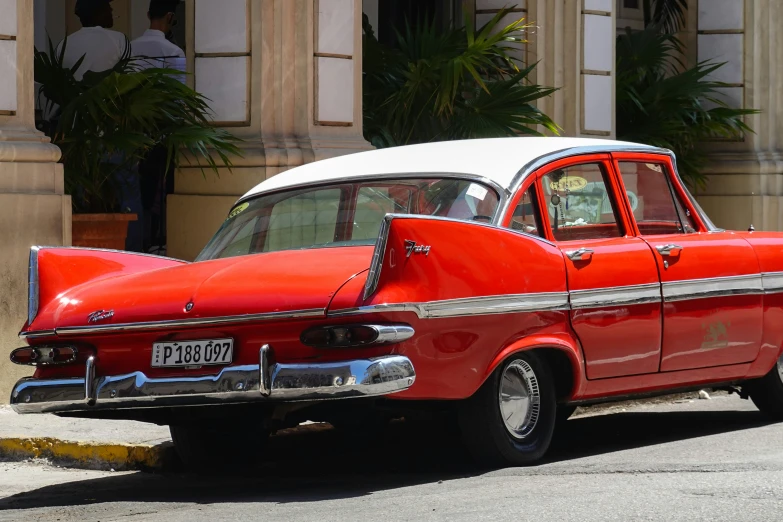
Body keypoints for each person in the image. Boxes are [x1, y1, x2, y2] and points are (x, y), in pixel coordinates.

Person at [58, 0, 127, 80]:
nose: (111, 10)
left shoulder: (63, 44)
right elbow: (132, 75)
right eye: (108, 7)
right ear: (98, 13)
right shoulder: (119, 39)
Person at [131, 0, 184, 71]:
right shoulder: (174, 51)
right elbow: (180, 80)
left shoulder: (130, 46)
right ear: (170, 17)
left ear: (148, 15)